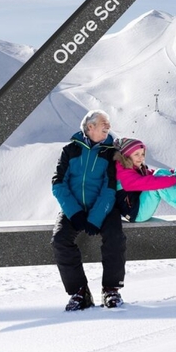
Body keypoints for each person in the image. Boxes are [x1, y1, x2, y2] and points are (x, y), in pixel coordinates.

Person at [51, 110, 126, 311]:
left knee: (115, 236)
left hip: (104, 207)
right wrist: (74, 213)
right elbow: (58, 184)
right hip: (73, 208)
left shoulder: (110, 152)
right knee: (60, 240)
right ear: (90, 127)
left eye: (109, 123)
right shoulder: (69, 151)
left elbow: (109, 188)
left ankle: (111, 289)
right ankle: (79, 292)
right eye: (104, 122)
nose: (108, 126)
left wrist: (95, 218)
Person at [113, 137, 176, 222]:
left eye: (142, 154)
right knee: (156, 183)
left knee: (160, 172)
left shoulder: (134, 168)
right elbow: (151, 183)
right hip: (136, 213)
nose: (141, 158)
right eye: (136, 154)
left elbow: (155, 174)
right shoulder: (124, 174)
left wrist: (175, 173)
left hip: (140, 205)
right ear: (126, 156)